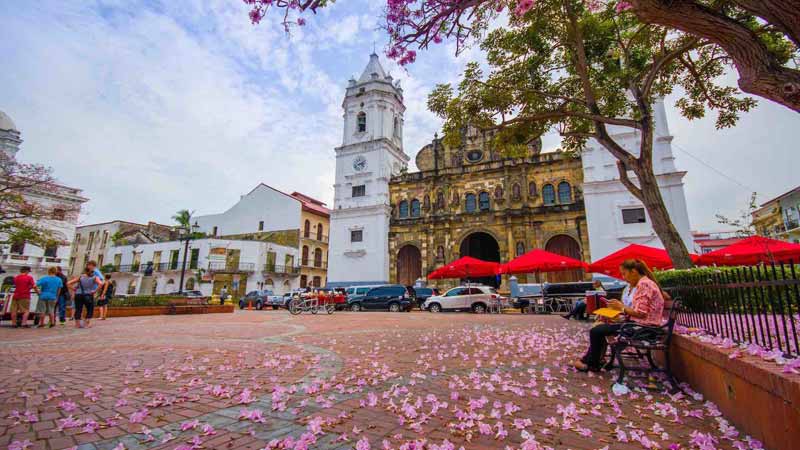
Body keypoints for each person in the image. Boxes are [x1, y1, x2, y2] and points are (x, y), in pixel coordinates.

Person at [573, 259, 665, 372]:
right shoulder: (645, 283)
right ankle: (593, 360)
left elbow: (641, 313)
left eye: (624, 273)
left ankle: (592, 364)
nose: (624, 277)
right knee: (600, 327)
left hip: (643, 328)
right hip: (642, 325)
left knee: (596, 331)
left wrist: (621, 307)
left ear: (634, 272)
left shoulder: (644, 284)